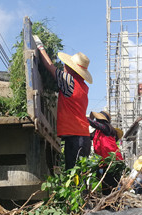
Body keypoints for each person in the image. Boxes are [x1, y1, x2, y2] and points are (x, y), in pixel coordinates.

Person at [33, 35, 92, 170]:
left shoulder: (68, 81)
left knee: (74, 176)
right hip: (83, 137)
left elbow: (50, 66)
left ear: (72, 69)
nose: (64, 66)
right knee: (79, 176)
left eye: (67, 65)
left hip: (76, 138)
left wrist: (40, 47)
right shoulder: (83, 87)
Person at [88, 110, 124, 193]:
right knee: (106, 188)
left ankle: (111, 204)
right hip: (105, 163)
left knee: (110, 188)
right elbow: (89, 136)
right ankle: (109, 204)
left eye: (97, 119)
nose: (96, 120)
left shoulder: (106, 128)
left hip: (113, 162)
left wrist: (84, 117)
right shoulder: (98, 132)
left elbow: (93, 123)